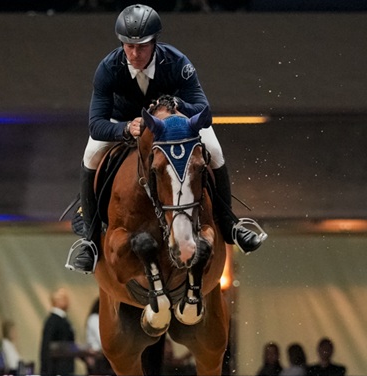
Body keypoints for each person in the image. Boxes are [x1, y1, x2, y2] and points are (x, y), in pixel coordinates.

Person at [65, 3, 266, 274]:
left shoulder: (177, 63)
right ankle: (89, 240)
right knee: (90, 155)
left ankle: (230, 224)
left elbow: (204, 112)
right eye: (129, 46)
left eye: (142, 46)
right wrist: (125, 129)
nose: (135, 54)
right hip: (124, 123)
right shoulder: (108, 69)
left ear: (155, 43)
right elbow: (96, 124)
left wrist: (176, 107)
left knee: (214, 150)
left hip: (174, 127)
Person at [39, 288, 77, 376]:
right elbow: (46, 347)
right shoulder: (53, 321)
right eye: (65, 299)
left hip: (64, 368)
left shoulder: (61, 320)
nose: (68, 302)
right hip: (57, 370)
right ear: (57, 301)